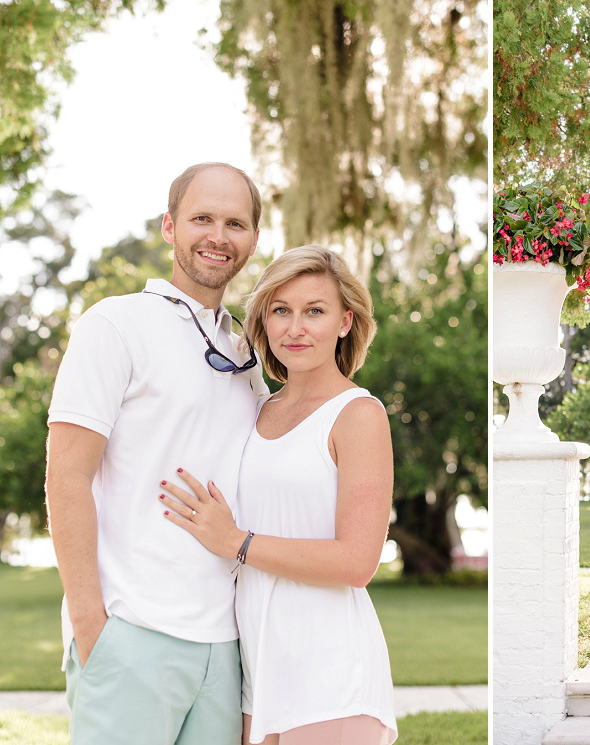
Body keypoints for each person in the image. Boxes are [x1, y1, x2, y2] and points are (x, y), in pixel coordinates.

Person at [45, 162, 268, 744]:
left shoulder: (248, 354)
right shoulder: (114, 324)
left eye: (235, 223)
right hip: (131, 632)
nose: (218, 236)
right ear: (170, 226)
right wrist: (91, 624)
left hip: (226, 645)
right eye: (202, 218)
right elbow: (66, 476)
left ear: (253, 239)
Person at [159, 245, 397, 745]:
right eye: (281, 311)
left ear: (345, 321)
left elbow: (358, 561)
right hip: (257, 673)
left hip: (331, 674)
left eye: (315, 311)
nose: (295, 328)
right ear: (263, 320)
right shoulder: (257, 407)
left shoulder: (358, 415)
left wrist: (238, 542)